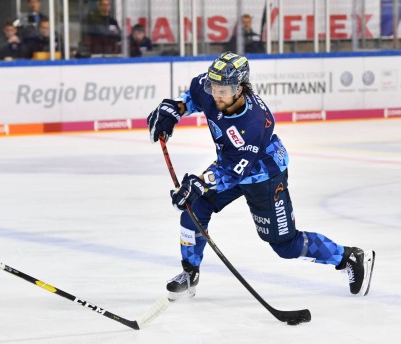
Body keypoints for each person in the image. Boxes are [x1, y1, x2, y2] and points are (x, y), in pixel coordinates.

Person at [146, 52, 375, 301]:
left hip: (264, 175)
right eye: (214, 86)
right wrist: (175, 110)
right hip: (230, 163)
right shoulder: (212, 87)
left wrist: (200, 182)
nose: (216, 94)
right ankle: (190, 274)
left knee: (286, 246)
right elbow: (193, 97)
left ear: (240, 88)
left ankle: (348, 257)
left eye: (224, 89)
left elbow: (235, 171)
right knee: (194, 208)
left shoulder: (253, 123)